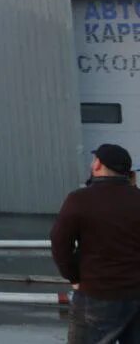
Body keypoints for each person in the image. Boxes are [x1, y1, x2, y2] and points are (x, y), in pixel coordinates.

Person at [51, 143, 140, 343]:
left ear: (98, 164)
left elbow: (59, 243)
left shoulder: (80, 199)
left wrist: (74, 276)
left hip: (96, 294)